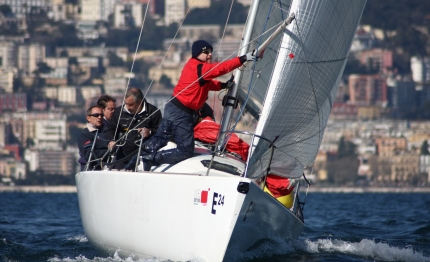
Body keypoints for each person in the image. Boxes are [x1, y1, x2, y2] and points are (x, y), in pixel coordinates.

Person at [133, 39, 255, 170]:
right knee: (185, 150)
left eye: (211, 52)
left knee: (160, 138)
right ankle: (151, 159)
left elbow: (208, 84)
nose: (209, 54)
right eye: (206, 52)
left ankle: (133, 163)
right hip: (181, 112)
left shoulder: (195, 67)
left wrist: (224, 85)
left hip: (174, 107)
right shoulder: (199, 67)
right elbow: (220, 68)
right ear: (197, 53)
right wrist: (243, 59)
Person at [104, 87, 162, 169]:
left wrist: (149, 132)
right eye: (126, 103)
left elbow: (161, 132)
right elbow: (110, 128)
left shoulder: (153, 112)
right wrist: (111, 140)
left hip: (145, 154)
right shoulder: (118, 112)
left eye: (131, 104)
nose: (127, 107)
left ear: (140, 102)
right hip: (123, 154)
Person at [77, 105, 109, 171]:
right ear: (88, 118)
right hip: (91, 169)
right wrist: (110, 151)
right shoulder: (85, 135)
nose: (99, 117)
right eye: (96, 115)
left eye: (101, 115)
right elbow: (91, 154)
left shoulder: (109, 132)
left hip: (108, 168)